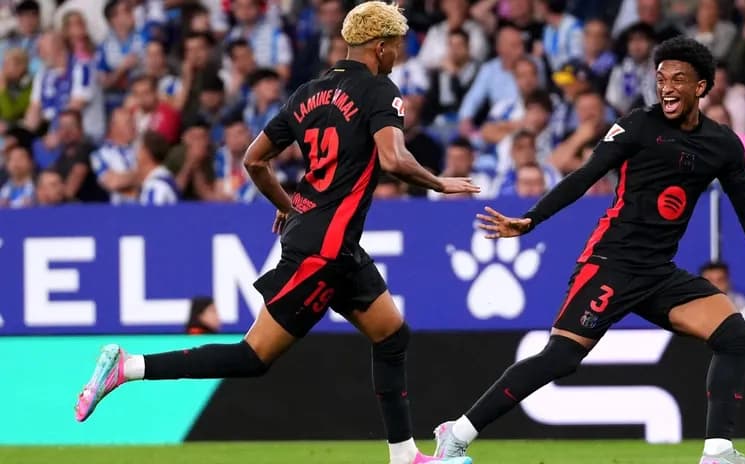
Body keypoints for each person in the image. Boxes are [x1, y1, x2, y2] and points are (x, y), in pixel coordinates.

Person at [74, 4, 477, 464]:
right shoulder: (379, 89)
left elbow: (253, 159)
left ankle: (405, 456)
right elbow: (392, 159)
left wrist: (289, 208)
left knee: (391, 335)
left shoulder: (308, 93)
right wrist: (439, 182)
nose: (399, 55)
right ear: (380, 47)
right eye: (398, 45)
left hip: (329, 241)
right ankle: (126, 368)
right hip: (323, 250)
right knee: (252, 356)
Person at [432, 37, 745, 464]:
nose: (667, 87)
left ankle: (717, 454)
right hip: (610, 263)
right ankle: (455, 435)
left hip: (657, 272)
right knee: (561, 357)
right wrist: (532, 218)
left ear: (702, 86)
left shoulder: (723, 146)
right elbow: (585, 175)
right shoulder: (639, 126)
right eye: (661, 79)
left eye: (678, 78)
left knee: (734, 335)